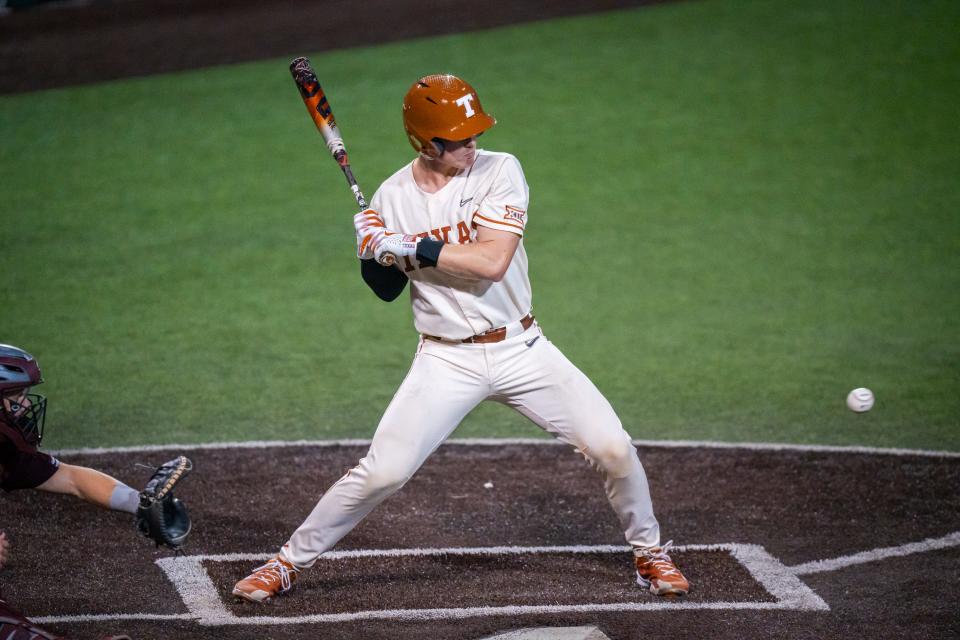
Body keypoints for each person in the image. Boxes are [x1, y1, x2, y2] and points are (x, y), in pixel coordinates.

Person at [233, 75, 689, 602]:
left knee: (613, 447)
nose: (473, 145)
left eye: (475, 134)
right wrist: (371, 250)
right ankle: (287, 562)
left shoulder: (501, 170)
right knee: (384, 472)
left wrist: (410, 244)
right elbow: (384, 290)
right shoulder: (390, 196)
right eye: (460, 139)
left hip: (522, 349)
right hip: (446, 360)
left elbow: (491, 262)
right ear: (426, 144)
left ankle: (649, 552)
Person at [0, 343, 192, 547]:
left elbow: (73, 479)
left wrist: (140, 502)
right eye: (18, 396)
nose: (27, 404)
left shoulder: (8, 450)